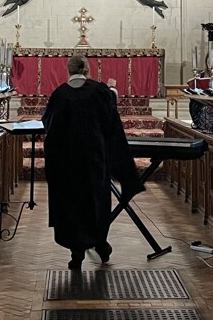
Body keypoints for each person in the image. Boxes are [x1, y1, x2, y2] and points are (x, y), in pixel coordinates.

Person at [41, 54, 143, 269]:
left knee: (72, 205)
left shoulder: (59, 94)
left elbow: (49, 124)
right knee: (95, 202)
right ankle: (100, 243)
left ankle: (76, 251)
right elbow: (112, 125)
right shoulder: (99, 91)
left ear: (68, 70)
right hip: (95, 160)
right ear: (87, 69)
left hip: (67, 163)